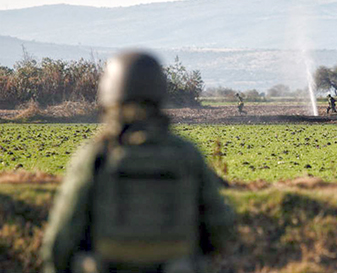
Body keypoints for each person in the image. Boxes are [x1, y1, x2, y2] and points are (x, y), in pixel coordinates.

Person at [41, 51, 234, 273]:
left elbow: (62, 238)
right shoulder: (186, 154)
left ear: (109, 96)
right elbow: (220, 228)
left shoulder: (95, 155)